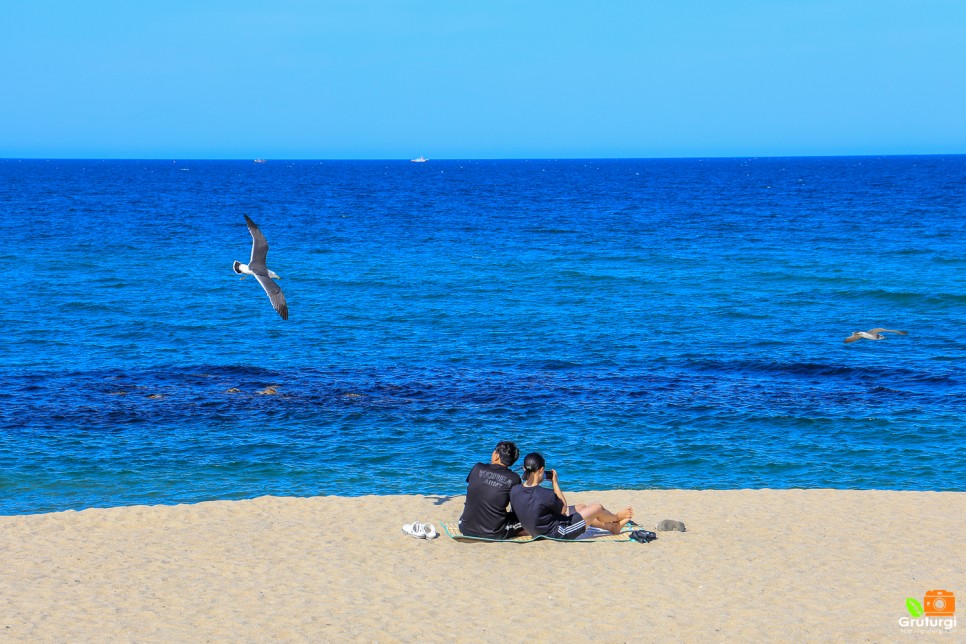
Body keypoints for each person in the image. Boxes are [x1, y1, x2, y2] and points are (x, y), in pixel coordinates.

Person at [509, 452, 633, 540]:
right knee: (597, 508)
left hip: (537, 527)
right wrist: (555, 483)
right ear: (541, 470)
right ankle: (615, 518)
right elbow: (563, 509)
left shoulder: (514, 490)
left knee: (581, 507)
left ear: (525, 469)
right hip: (559, 532)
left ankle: (612, 527)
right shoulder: (546, 494)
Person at [458, 441, 525, 539]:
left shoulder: (477, 467)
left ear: (497, 456)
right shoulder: (514, 478)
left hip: (465, 527)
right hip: (494, 532)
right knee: (526, 520)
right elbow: (518, 507)